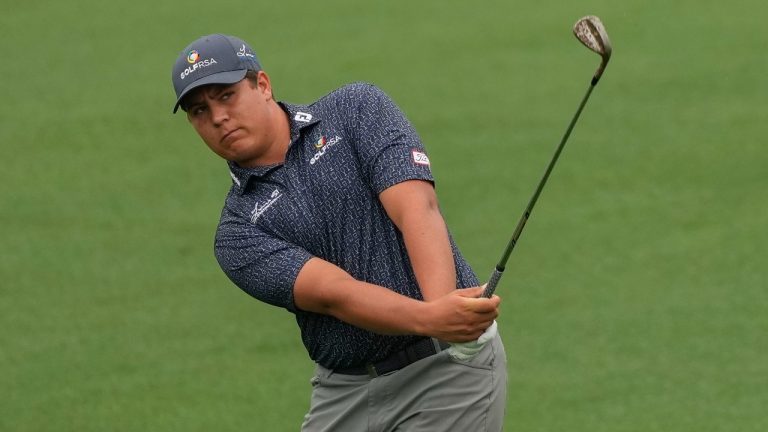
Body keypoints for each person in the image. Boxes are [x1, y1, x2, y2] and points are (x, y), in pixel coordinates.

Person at [171, 34, 507, 431]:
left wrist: (446, 312)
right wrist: (432, 317)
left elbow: (416, 207)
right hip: (344, 391)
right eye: (199, 111)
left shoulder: (355, 110)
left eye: (225, 96)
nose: (217, 118)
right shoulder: (237, 231)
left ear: (262, 85)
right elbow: (334, 294)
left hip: (447, 370)